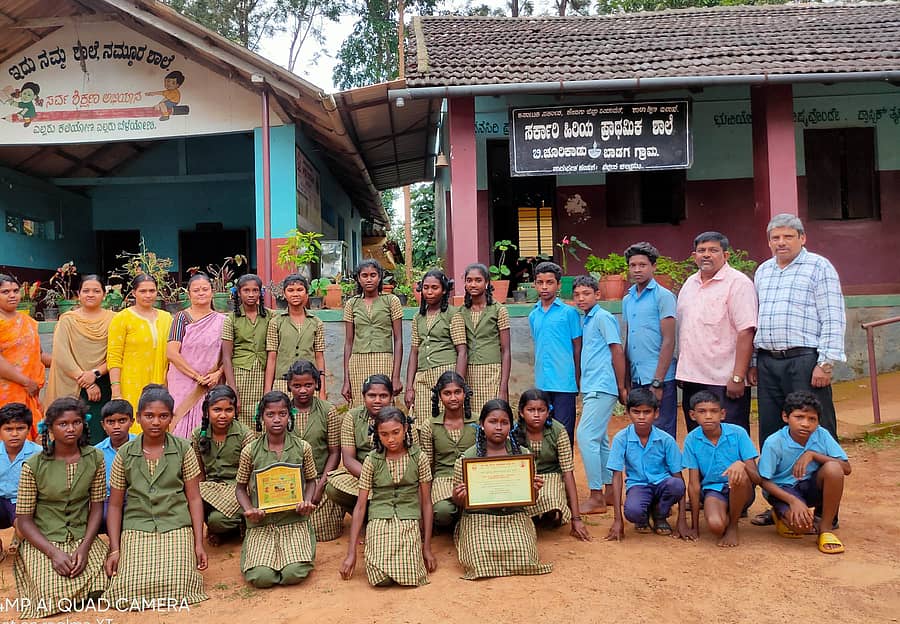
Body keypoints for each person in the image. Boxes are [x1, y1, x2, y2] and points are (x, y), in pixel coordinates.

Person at [105, 385, 208, 608]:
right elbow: (114, 505)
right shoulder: (125, 454)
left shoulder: (183, 449)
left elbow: (194, 498)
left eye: (163, 416)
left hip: (175, 524)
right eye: (149, 416)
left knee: (181, 585)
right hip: (137, 525)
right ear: (138, 418)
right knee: (127, 589)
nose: (155, 422)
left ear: (171, 418)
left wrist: (199, 543)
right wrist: (115, 549)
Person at [750, 214, 845, 444]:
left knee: (812, 421)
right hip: (768, 361)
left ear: (802, 238)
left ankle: (823, 466)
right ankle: (776, 467)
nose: (781, 242)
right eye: (775, 238)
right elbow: (756, 317)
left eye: (788, 236)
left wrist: (825, 363)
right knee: (771, 425)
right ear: (769, 242)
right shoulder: (763, 271)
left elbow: (833, 316)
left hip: (804, 360)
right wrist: (753, 361)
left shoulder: (819, 267)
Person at [13, 397, 108, 620]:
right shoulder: (33, 465)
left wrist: (85, 548)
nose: (70, 429)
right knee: (50, 595)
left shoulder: (95, 458)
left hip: (82, 536)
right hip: (44, 539)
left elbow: (96, 507)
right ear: (50, 428)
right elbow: (24, 520)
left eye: (76, 422)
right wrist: (53, 553)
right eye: (63, 424)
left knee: (110, 581)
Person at [451, 399, 552, 579]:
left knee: (524, 555)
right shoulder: (467, 458)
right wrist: (459, 496)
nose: (498, 427)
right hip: (479, 518)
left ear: (511, 426)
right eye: (493, 422)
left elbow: (531, 500)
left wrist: (534, 489)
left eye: (504, 422)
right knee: (478, 558)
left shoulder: (523, 456)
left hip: (513, 516)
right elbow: (459, 503)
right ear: (481, 424)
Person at [340, 407, 436, 586]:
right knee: (379, 578)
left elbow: (426, 503)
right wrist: (351, 553)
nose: (391, 439)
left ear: (405, 429)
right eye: (384, 434)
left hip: (408, 517)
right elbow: (360, 506)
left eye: (395, 432)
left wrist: (427, 548)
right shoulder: (372, 460)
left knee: (408, 573)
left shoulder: (419, 458)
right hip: (379, 517)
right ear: (377, 434)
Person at [676, 232, 757, 433]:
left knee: (729, 437)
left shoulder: (738, 283)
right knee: (698, 436)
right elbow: (686, 329)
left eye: (713, 250)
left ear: (726, 255)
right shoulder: (689, 284)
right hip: (693, 379)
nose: (706, 255)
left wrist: (738, 377)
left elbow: (746, 331)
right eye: (701, 250)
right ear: (694, 255)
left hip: (724, 381)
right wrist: (683, 371)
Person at [235, 391, 318, 587]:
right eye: (270, 414)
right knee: (261, 577)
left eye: (282, 413)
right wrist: (250, 510)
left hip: (293, 520)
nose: (277, 419)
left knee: (293, 573)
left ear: (290, 415)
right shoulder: (250, 451)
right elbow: (240, 488)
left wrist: (306, 501)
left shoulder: (303, 448)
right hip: (262, 522)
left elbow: (311, 481)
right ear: (261, 417)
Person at [758, 391, 850, 554]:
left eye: (812, 419)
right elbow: (763, 481)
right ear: (785, 417)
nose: (805, 424)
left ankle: (825, 529)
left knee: (834, 468)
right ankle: (779, 514)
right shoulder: (774, 442)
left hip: (809, 486)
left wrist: (813, 455)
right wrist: (793, 501)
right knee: (802, 528)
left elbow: (846, 468)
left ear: (818, 421)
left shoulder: (821, 434)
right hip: (782, 490)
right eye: (799, 417)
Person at [573, 274, 627, 514]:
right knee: (600, 439)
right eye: (577, 295)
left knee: (585, 436)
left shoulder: (603, 317)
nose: (581, 298)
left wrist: (621, 386)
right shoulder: (587, 319)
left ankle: (596, 496)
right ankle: (611, 491)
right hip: (593, 386)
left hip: (602, 385)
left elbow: (617, 350)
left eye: (586, 294)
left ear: (598, 294)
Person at [606, 388, 688, 540]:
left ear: (656, 413)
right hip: (638, 485)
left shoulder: (666, 440)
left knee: (676, 485)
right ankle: (642, 517)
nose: (641, 417)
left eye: (647, 412)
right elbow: (616, 476)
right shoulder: (621, 439)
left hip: (662, 483)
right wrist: (618, 520)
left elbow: (678, 476)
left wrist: (682, 520)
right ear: (628, 412)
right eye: (636, 412)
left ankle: (660, 514)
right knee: (633, 511)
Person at [681, 391, 760, 547]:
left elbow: (756, 478)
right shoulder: (692, 439)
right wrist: (695, 526)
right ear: (692, 415)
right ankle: (726, 515)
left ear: (722, 414)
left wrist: (742, 465)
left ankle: (733, 526)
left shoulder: (738, 433)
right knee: (716, 526)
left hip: (742, 490)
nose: (708, 416)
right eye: (702, 411)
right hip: (714, 491)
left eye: (714, 411)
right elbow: (694, 485)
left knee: (738, 474)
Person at [45, 275, 115, 444]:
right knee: (71, 433)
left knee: (100, 434)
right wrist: (87, 382)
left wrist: (95, 374)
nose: (91, 294)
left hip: (104, 383)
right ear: (78, 294)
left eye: (96, 291)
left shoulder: (115, 319)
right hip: (72, 383)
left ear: (104, 294)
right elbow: (62, 355)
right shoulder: (67, 320)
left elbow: (116, 354)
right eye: (86, 291)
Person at [514, 388, 591, 541]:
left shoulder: (558, 431)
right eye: (531, 410)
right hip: (523, 477)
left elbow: (567, 472)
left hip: (551, 476)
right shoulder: (513, 431)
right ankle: (533, 517)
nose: (536, 415)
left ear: (548, 412)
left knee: (552, 499)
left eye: (541, 410)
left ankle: (549, 515)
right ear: (521, 412)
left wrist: (576, 518)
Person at [326, 375, 403, 517]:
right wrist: (374, 479)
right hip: (362, 475)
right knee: (333, 488)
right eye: (372, 395)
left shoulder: (400, 418)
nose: (377, 401)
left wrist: (388, 480)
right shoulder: (352, 417)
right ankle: (366, 517)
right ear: (363, 396)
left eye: (383, 396)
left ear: (391, 397)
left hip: (394, 477)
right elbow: (348, 460)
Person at [622, 242, 678, 438]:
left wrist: (657, 382)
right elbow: (628, 340)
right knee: (641, 431)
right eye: (633, 265)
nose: (637, 270)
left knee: (662, 432)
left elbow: (669, 340)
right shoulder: (627, 299)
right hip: (637, 378)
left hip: (659, 378)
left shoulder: (664, 296)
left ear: (653, 266)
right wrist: (626, 382)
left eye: (642, 265)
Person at [285, 360, 344, 541]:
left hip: (320, 478)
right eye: (297, 386)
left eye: (308, 385)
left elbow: (334, 453)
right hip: (290, 481)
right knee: (290, 530)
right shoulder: (282, 411)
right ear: (289, 386)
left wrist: (319, 487)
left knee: (322, 531)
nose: (303, 390)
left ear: (317, 384)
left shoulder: (328, 411)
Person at [107, 274, 173, 432]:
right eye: (143, 291)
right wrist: (116, 391)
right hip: (131, 384)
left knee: (159, 425)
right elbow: (114, 356)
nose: (148, 295)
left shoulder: (167, 318)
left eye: (152, 291)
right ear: (134, 293)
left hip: (161, 381)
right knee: (134, 427)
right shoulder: (122, 318)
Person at [191, 385, 254, 545]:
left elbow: (251, 475)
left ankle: (238, 525)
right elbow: (199, 473)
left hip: (237, 490)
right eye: (217, 410)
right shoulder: (198, 435)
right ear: (207, 411)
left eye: (228, 410)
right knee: (188, 499)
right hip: (210, 490)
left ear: (235, 411)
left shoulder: (245, 435)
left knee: (218, 521)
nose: (223, 415)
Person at [528, 261, 582, 442]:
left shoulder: (569, 313)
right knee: (544, 432)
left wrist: (577, 377)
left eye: (549, 282)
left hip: (564, 382)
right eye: (540, 282)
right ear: (535, 284)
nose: (544, 287)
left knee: (564, 433)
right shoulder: (533, 314)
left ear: (558, 285)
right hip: (542, 382)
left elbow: (578, 347)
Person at [166, 273, 225, 438]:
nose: (201, 293)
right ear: (189, 294)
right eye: (196, 290)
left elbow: (228, 354)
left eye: (205, 289)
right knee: (180, 424)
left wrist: (218, 374)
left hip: (212, 382)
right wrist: (196, 376)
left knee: (208, 425)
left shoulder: (223, 320)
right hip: (183, 381)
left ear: (212, 292)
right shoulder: (181, 318)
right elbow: (171, 353)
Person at [417, 371, 477, 529]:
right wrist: (424, 505)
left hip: (473, 478)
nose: (453, 398)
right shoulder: (430, 425)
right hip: (443, 480)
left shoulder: (478, 422)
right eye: (447, 393)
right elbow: (427, 466)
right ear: (439, 396)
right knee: (442, 512)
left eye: (457, 392)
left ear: (465, 393)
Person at [405, 269, 467, 422]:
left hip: (445, 373)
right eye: (426, 288)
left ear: (444, 290)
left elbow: (462, 351)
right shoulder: (418, 317)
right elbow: (414, 352)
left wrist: (457, 383)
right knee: (422, 420)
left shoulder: (453, 314)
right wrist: (409, 387)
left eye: (434, 288)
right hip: (422, 376)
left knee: (445, 420)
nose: (429, 292)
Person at [341, 260, 404, 404]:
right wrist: (346, 380)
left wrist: (396, 377)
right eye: (364, 275)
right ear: (358, 278)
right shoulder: (352, 304)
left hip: (384, 360)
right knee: (360, 404)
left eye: (373, 275)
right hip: (358, 362)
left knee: (383, 405)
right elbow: (348, 342)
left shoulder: (391, 301)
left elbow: (398, 339)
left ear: (380, 277)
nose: (369, 279)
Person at [0, 273, 50, 438]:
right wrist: (26, 382)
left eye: (15, 291)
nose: (12, 295)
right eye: (5, 292)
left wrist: (68, 365)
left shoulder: (27, 321)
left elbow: (38, 355)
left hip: (30, 393)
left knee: (30, 441)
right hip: (6, 393)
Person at [457, 263, 511, 413]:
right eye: (469, 280)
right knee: (472, 415)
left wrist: (503, 388)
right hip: (469, 373)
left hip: (492, 372)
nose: (473, 284)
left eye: (478, 280)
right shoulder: (460, 312)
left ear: (487, 283)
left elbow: (506, 351)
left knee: (491, 414)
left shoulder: (499, 310)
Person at [264, 274, 325, 397]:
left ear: (307, 294)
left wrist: (322, 390)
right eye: (290, 290)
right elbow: (272, 357)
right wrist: (267, 390)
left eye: (300, 290)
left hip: (309, 383)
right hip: (283, 382)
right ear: (284, 294)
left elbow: (319, 357)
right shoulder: (276, 322)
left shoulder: (316, 322)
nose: (295, 294)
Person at [222, 274, 269, 432]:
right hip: (240, 376)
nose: (251, 294)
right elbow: (226, 357)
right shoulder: (231, 319)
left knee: (263, 416)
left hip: (263, 374)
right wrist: (233, 391)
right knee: (240, 420)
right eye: (246, 290)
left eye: (255, 290)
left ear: (260, 293)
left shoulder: (271, 317)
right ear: (238, 293)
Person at [0, 403, 40, 555]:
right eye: (8, 429)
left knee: (23, 530)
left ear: (29, 429)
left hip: (24, 503)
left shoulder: (38, 454)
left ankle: (20, 536)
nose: (14, 434)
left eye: (20, 428)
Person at [94, 400, 135, 531]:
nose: (116, 426)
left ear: (132, 422)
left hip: (136, 497)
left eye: (122, 421)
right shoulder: (97, 452)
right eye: (111, 422)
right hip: (108, 498)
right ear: (103, 425)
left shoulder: (141, 445)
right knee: (103, 516)